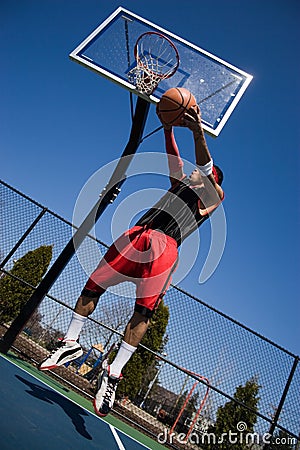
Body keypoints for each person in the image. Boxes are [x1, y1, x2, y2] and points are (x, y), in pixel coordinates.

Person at [39, 104, 224, 417]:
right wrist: (167, 127)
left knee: (143, 313)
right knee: (92, 286)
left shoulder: (212, 195)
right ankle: (71, 341)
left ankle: (113, 372)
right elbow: (172, 159)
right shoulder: (180, 184)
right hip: (136, 234)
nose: (193, 168)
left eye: (202, 170)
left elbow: (206, 168)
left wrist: (197, 132)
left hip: (165, 248)